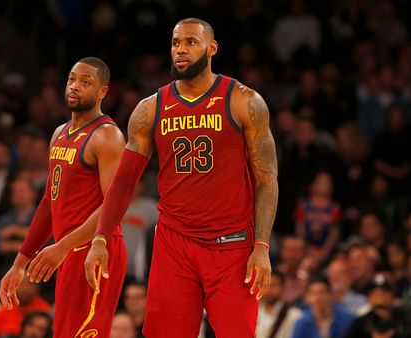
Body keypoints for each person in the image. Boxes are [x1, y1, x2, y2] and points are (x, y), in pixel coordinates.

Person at [85, 18, 278, 337]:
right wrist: (101, 237)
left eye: (190, 42)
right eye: (176, 43)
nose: (181, 50)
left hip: (231, 244)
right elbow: (124, 182)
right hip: (175, 242)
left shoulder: (243, 100)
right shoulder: (151, 108)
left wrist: (262, 245)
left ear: (211, 48)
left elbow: (266, 179)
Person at [0, 57, 127, 338]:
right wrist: (20, 263)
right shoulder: (59, 134)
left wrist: (61, 247)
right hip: (68, 251)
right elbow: (48, 202)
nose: (75, 86)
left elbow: (114, 206)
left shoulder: (107, 136)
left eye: (85, 82)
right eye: (71, 79)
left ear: (103, 91)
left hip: (96, 250)